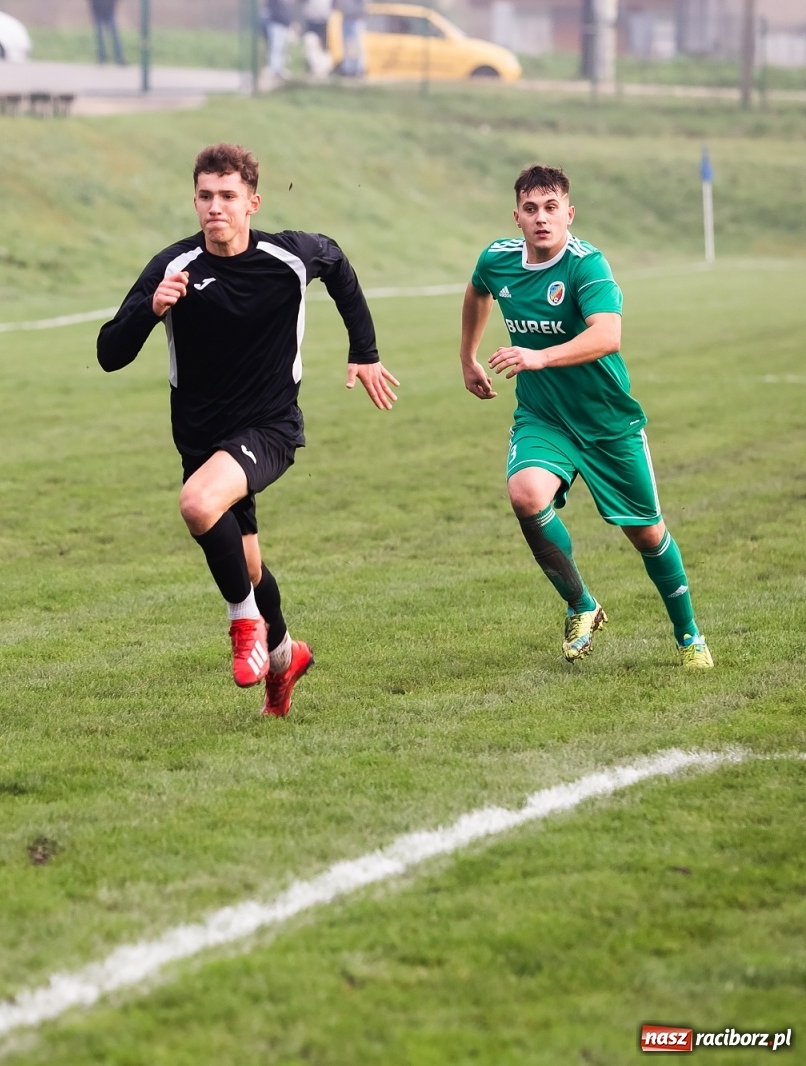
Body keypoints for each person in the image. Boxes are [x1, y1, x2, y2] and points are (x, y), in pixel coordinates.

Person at [97, 144, 399, 717]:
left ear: (252, 203)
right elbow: (109, 353)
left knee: (196, 503)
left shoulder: (288, 257)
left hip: (270, 428)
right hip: (201, 440)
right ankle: (286, 660)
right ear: (194, 201)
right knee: (249, 564)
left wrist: (365, 351)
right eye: (206, 196)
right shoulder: (173, 267)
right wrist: (150, 310)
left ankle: (245, 626)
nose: (216, 207)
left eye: (228, 196)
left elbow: (334, 261)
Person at [457, 164, 712, 668]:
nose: (542, 219)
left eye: (552, 208)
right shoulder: (498, 259)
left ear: (569, 214)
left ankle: (689, 636)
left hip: (606, 423)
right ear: (517, 217)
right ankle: (583, 605)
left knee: (646, 534)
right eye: (531, 209)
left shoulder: (586, 265)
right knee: (525, 494)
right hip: (543, 417)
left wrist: (538, 356)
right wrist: (468, 356)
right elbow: (477, 291)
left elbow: (607, 335)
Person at [300, 0, 334, 79]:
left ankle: (325, 69)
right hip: (311, 21)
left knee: (324, 48)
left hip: (325, 21)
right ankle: (316, 69)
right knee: (311, 44)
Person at [263, 0, 293, 87]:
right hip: (276, 25)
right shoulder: (274, 3)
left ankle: (278, 69)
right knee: (276, 48)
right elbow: (277, 13)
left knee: (281, 49)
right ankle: (274, 70)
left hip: (281, 25)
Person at [336, 0, 367, 76]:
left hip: (356, 20)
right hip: (347, 19)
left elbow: (362, 5)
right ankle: (349, 68)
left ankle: (358, 69)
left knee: (357, 46)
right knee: (349, 46)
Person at [91, 0, 125, 66]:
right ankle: (102, 58)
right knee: (100, 36)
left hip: (109, 10)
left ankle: (119, 58)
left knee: (114, 35)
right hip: (98, 11)